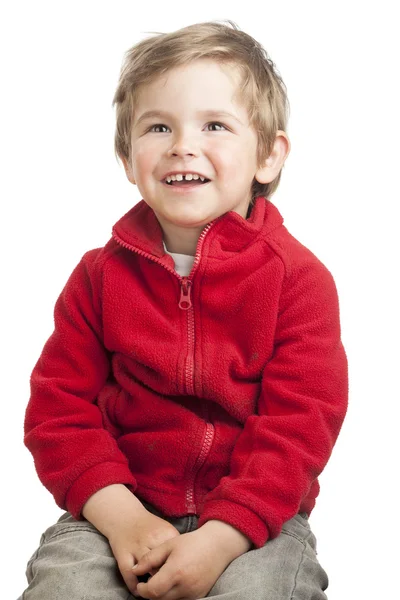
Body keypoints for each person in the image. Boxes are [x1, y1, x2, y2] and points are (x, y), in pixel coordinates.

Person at [19, 20, 348, 600]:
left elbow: (299, 428)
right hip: (118, 509)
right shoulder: (98, 278)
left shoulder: (299, 281)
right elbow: (57, 413)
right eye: (158, 127)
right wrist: (122, 516)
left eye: (215, 125)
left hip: (253, 524)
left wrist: (223, 536)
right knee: (65, 589)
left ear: (268, 156)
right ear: (127, 157)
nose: (182, 144)